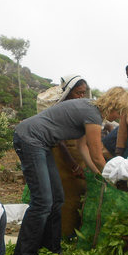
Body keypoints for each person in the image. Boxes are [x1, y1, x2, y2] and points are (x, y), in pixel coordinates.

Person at [12, 87, 128, 255]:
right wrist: (114, 178)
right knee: (42, 201)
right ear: (113, 106)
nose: (118, 117)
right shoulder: (93, 115)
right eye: (120, 112)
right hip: (30, 138)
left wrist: (98, 174)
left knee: (57, 198)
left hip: (42, 143)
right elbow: (97, 155)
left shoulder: (90, 109)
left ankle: (51, 249)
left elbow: (82, 148)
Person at [50, 75, 90, 237]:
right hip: (64, 160)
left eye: (83, 93)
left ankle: (74, 237)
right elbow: (60, 141)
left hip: (77, 158)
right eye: (77, 93)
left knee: (78, 199)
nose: (81, 97)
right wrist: (73, 166)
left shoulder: (80, 109)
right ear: (68, 93)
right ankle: (63, 237)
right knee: (66, 200)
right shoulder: (62, 110)